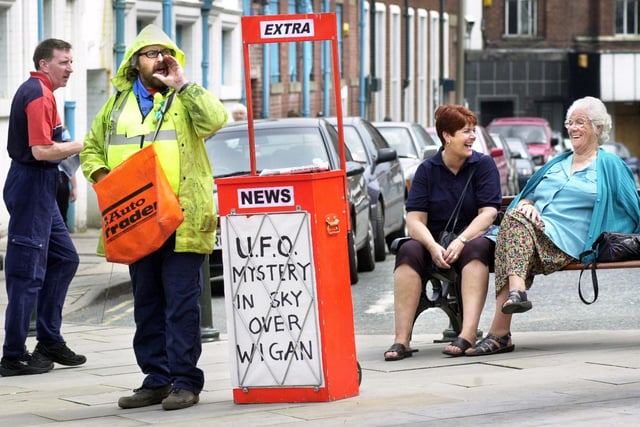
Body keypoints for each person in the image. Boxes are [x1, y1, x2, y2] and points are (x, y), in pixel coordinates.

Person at [81, 25, 228, 410]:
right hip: (136, 220)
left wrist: (183, 83)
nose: (160, 58)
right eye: (150, 53)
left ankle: (185, 382)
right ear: (135, 62)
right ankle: (156, 380)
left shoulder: (184, 98)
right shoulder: (116, 105)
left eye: (167, 52)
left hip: (181, 218)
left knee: (180, 303)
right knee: (147, 303)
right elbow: (91, 150)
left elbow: (216, 120)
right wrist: (104, 179)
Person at [467, 96, 640, 356]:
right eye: (569, 122)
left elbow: (633, 206)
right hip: (531, 237)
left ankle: (501, 329)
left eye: (580, 122)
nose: (572, 128)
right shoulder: (557, 162)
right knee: (515, 223)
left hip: (570, 243)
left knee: (511, 230)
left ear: (599, 128)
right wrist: (527, 204)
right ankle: (514, 300)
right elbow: (527, 195)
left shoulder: (611, 165)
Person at [384, 105, 502, 361]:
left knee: (476, 248)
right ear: (447, 136)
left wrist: (462, 239)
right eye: (466, 132)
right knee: (408, 250)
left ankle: (467, 334)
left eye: (473, 131)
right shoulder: (427, 170)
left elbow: (488, 214)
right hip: (436, 244)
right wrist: (431, 246)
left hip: (472, 240)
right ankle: (401, 340)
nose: (472, 137)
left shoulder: (483, 166)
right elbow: (414, 219)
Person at [1, 39, 85, 377]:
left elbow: (57, 141)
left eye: (71, 61)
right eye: (64, 62)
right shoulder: (37, 94)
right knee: (27, 273)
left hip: (44, 184)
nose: (70, 68)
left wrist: (71, 177)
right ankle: (14, 355)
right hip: (32, 183)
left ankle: (48, 340)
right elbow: (40, 150)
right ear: (44, 63)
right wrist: (84, 145)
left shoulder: (48, 95)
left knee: (65, 259)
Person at [56, 127, 78, 228]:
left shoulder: (62, 131)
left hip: (58, 177)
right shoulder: (62, 130)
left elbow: (68, 161)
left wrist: (74, 187)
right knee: (61, 219)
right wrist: (74, 187)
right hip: (60, 177)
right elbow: (69, 163)